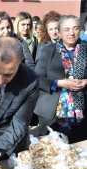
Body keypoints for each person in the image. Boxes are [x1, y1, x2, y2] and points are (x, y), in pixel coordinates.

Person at [34, 15, 87, 143]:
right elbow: (37, 78)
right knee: (51, 151)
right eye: (67, 29)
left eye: (75, 28)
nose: (71, 33)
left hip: (82, 109)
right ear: (59, 32)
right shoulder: (49, 50)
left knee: (79, 149)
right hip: (53, 110)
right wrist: (59, 83)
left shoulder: (85, 48)